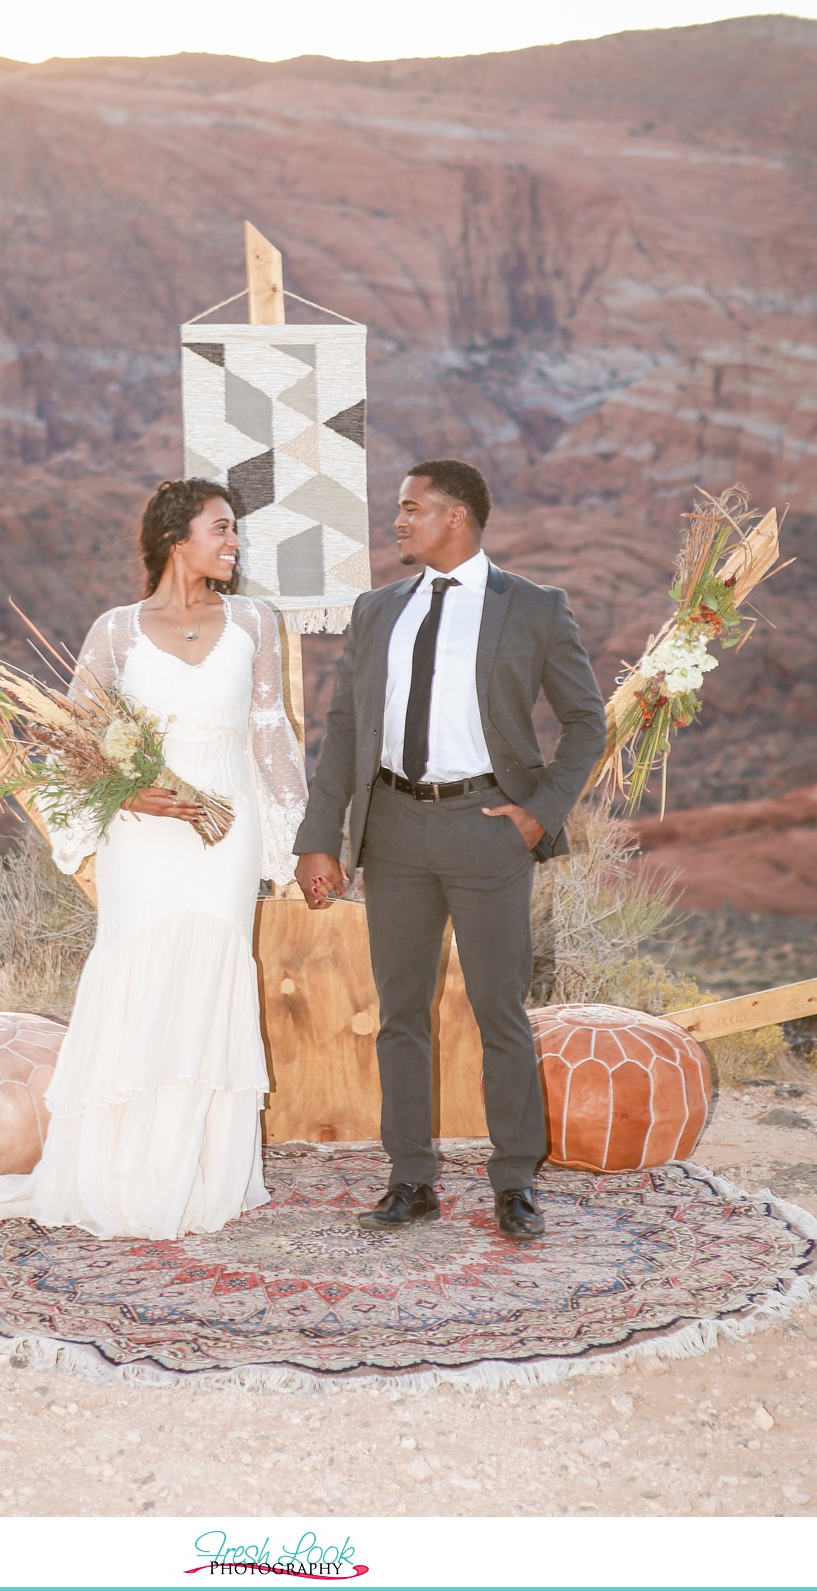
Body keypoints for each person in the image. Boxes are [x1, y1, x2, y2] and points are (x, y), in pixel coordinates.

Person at [0, 478, 307, 1240]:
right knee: (137, 975)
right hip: (142, 835)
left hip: (225, 832)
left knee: (209, 975)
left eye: (234, 531)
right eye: (220, 529)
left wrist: (293, 832)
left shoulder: (255, 619)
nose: (234, 543)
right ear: (173, 539)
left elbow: (270, 733)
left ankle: (200, 1174)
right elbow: (75, 738)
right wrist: (128, 797)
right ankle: (122, 1172)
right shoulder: (116, 630)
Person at [294, 459, 606, 1243]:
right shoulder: (376, 610)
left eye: (411, 509)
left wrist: (537, 815)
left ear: (456, 517)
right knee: (400, 1012)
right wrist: (317, 840)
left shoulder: (532, 608)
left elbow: (585, 722)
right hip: (392, 831)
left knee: (499, 1009)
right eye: (398, 510)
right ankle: (411, 1180)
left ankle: (514, 1182)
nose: (397, 522)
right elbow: (345, 736)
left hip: (487, 828)